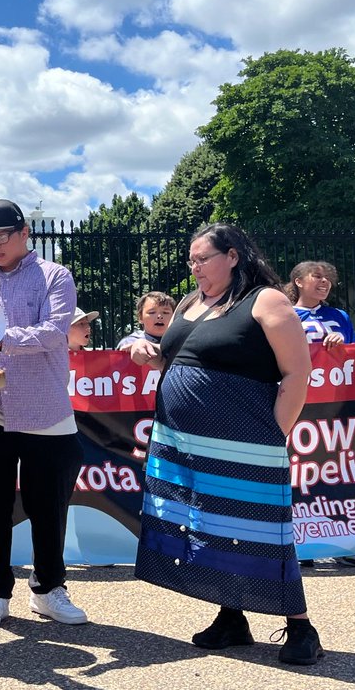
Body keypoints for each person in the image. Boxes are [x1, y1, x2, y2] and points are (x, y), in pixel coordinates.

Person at [130, 223, 321, 665]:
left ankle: (301, 626)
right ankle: (232, 616)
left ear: (232, 256)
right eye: (191, 260)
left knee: (260, 529)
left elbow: (297, 372)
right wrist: (150, 355)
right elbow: (179, 358)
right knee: (207, 525)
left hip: (246, 442)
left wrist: (274, 434)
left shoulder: (266, 300)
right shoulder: (191, 303)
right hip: (182, 442)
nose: (194, 267)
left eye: (203, 259)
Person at [0, 199, 88, 630]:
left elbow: (55, 332)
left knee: (49, 504)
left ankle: (50, 588)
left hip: (44, 405)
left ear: (24, 233)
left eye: (0, 236)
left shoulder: (55, 276)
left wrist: (2, 339)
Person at [285, 260, 355, 569]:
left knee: (339, 465)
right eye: (316, 276)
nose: (324, 282)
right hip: (301, 402)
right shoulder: (287, 315)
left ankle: (345, 540)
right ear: (299, 281)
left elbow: (354, 358)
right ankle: (302, 541)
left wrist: (341, 348)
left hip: (336, 400)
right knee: (301, 468)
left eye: (327, 278)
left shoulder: (339, 317)